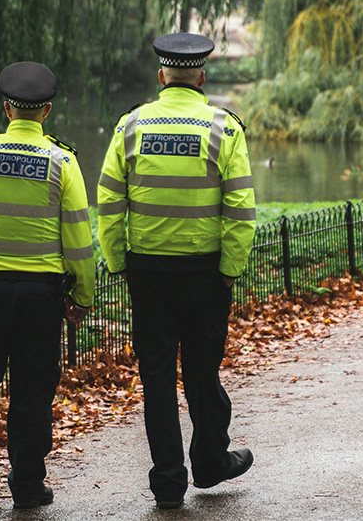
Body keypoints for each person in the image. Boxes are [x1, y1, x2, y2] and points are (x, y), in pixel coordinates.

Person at [96, 32, 257, 509]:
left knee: (158, 378)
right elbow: (241, 208)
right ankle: (210, 461)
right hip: (207, 274)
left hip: (149, 275)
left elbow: (108, 201)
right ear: (202, 77)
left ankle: (168, 480)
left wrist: (118, 260)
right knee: (204, 372)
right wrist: (229, 269)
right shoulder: (224, 129)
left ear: (161, 76)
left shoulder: (130, 126)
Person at [0, 61, 95, 519]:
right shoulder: (63, 162)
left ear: (7, 109)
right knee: (31, 390)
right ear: (44, 111)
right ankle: (27, 485)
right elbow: (79, 241)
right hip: (39, 298)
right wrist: (82, 297)